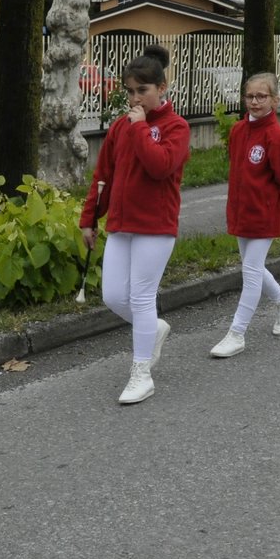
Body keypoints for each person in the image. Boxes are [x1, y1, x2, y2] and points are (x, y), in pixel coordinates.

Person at [79, 44, 190, 404]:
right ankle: (153, 329)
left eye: (143, 90)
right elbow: (103, 176)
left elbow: (160, 167)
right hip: (122, 224)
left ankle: (142, 373)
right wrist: (89, 219)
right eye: (130, 91)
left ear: (162, 87)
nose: (135, 98)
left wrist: (142, 128)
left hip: (156, 226)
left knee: (141, 298)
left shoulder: (176, 126)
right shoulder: (120, 127)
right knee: (113, 295)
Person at [209, 72, 280, 358]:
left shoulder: (275, 136)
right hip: (240, 212)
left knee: (249, 272)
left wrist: (265, 197)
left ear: (275, 100)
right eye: (250, 96)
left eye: (261, 96)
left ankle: (237, 333)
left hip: (264, 214)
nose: (254, 102)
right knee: (254, 268)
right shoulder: (237, 131)